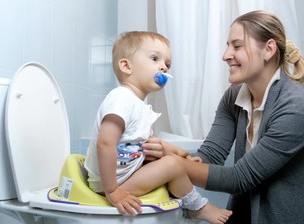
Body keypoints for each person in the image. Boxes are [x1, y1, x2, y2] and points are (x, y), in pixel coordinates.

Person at [142, 10, 304, 223]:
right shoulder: (234, 96)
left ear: (268, 49)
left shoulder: (296, 108)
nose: (225, 55)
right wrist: (170, 153)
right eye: (227, 46)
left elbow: (240, 178)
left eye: (236, 46)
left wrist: (170, 164)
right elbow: (210, 156)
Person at [84, 31, 233, 223]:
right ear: (126, 66)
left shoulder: (140, 106)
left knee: (171, 160)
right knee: (172, 165)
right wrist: (112, 190)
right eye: (155, 59)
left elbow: (148, 145)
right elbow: (105, 143)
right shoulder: (120, 98)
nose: (163, 67)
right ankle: (197, 207)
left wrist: (182, 154)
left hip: (124, 175)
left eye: (167, 64)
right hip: (110, 183)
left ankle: (188, 202)